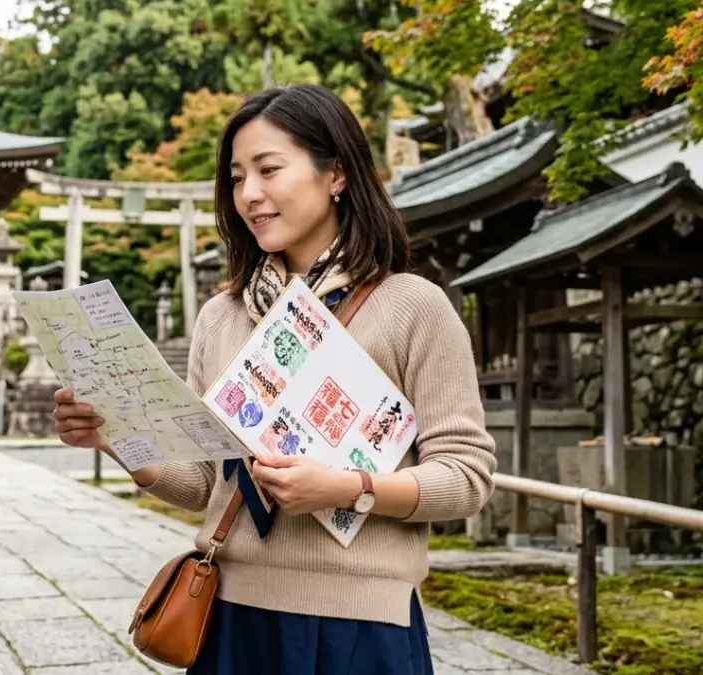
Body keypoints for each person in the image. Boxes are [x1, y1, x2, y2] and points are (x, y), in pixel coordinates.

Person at [51, 83, 497, 674]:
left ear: (335, 174)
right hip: (231, 615)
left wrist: (348, 489)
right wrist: (116, 436)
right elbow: (208, 483)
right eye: (236, 178)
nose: (249, 195)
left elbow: (466, 478)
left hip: (362, 627)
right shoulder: (223, 316)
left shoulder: (414, 306)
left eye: (268, 169)